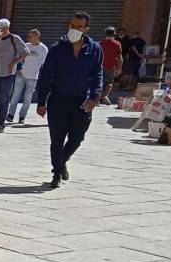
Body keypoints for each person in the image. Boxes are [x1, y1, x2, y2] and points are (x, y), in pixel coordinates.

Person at [36, 11, 103, 189]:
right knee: (56, 140)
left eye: (78, 27)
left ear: (86, 29)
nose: (74, 29)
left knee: (77, 138)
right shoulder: (57, 49)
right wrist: (41, 101)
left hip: (82, 101)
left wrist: (95, 97)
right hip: (58, 100)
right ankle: (57, 173)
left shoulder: (94, 48)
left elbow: (98, 74)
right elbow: (45, 76)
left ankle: (61, 162)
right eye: (72, 25)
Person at [7, 29, 47, 124]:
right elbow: (18, 58)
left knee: (27, 99)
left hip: (33, 77)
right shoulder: (26, 46)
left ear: (37, 36)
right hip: (21, 74)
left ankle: (22, 116)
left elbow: (43, 64)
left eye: (30, 36)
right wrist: (18, 69)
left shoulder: (43, 49)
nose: (28, 38)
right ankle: (10, 115)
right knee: (15, 96)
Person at [99, 27, 123, 105]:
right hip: (111, 67)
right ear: (114, 34)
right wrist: (119, 69)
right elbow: (119, 58)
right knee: (109, 83)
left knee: (98, 82)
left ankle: (97, 99)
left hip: (99, 67)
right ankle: (105, 96)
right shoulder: (117, 44)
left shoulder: (100, 43)